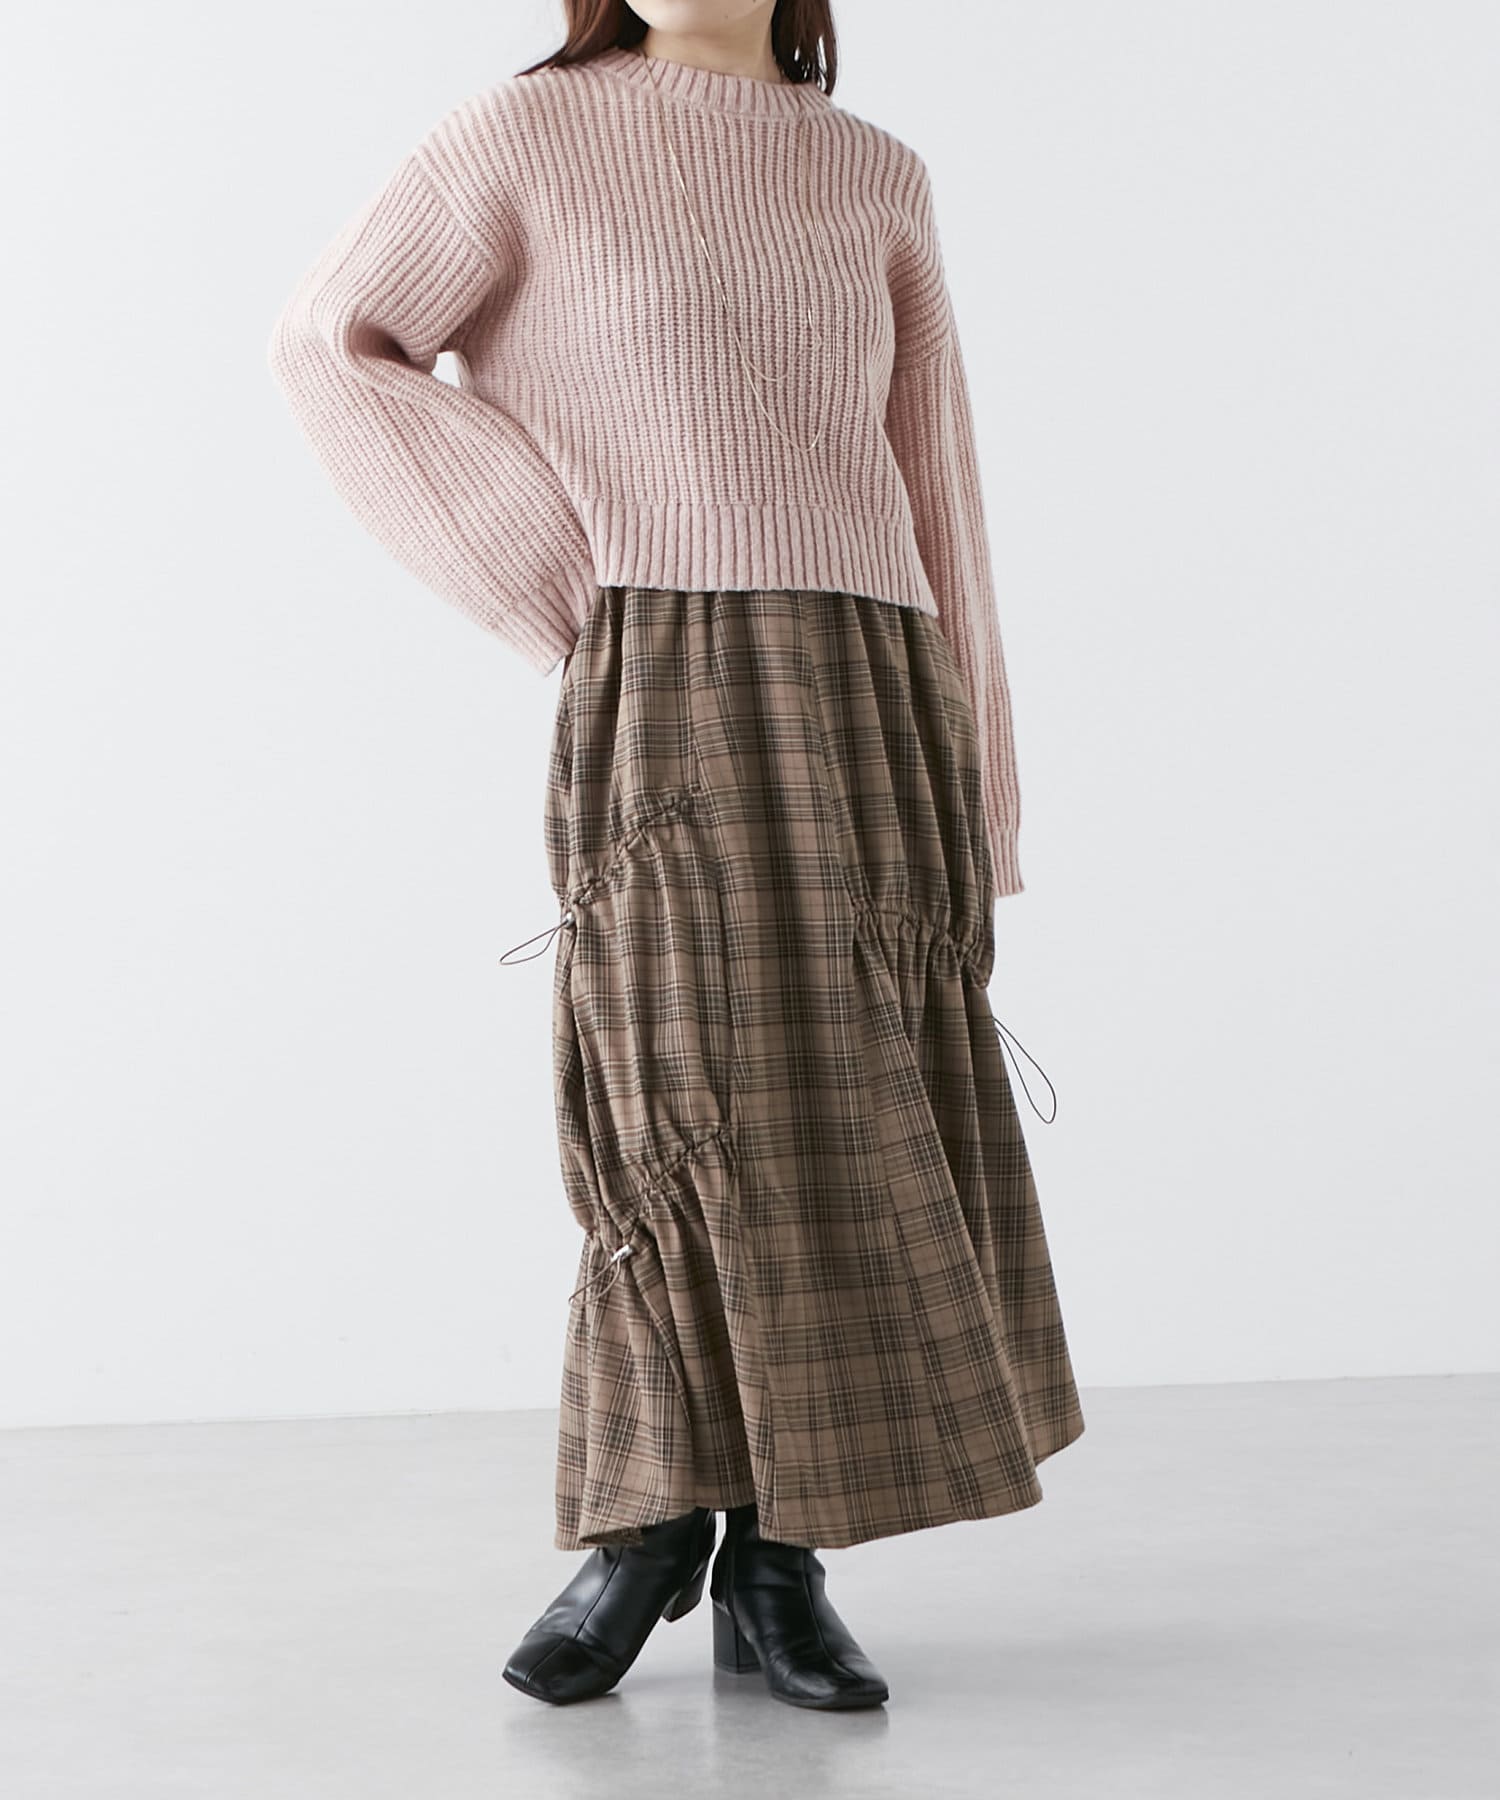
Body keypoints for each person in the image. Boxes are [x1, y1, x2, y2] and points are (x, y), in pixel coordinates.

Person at [266, 0, 1085, 1713]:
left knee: (849, 1108)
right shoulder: (522, 135)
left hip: (874, 674)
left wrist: (983, 783)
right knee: (671, 1106)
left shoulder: (873, 172)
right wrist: (560, 567)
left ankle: (782, 1562)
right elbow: (333, 344)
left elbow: (938, 482)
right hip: (673, 665)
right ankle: (643, 1530)